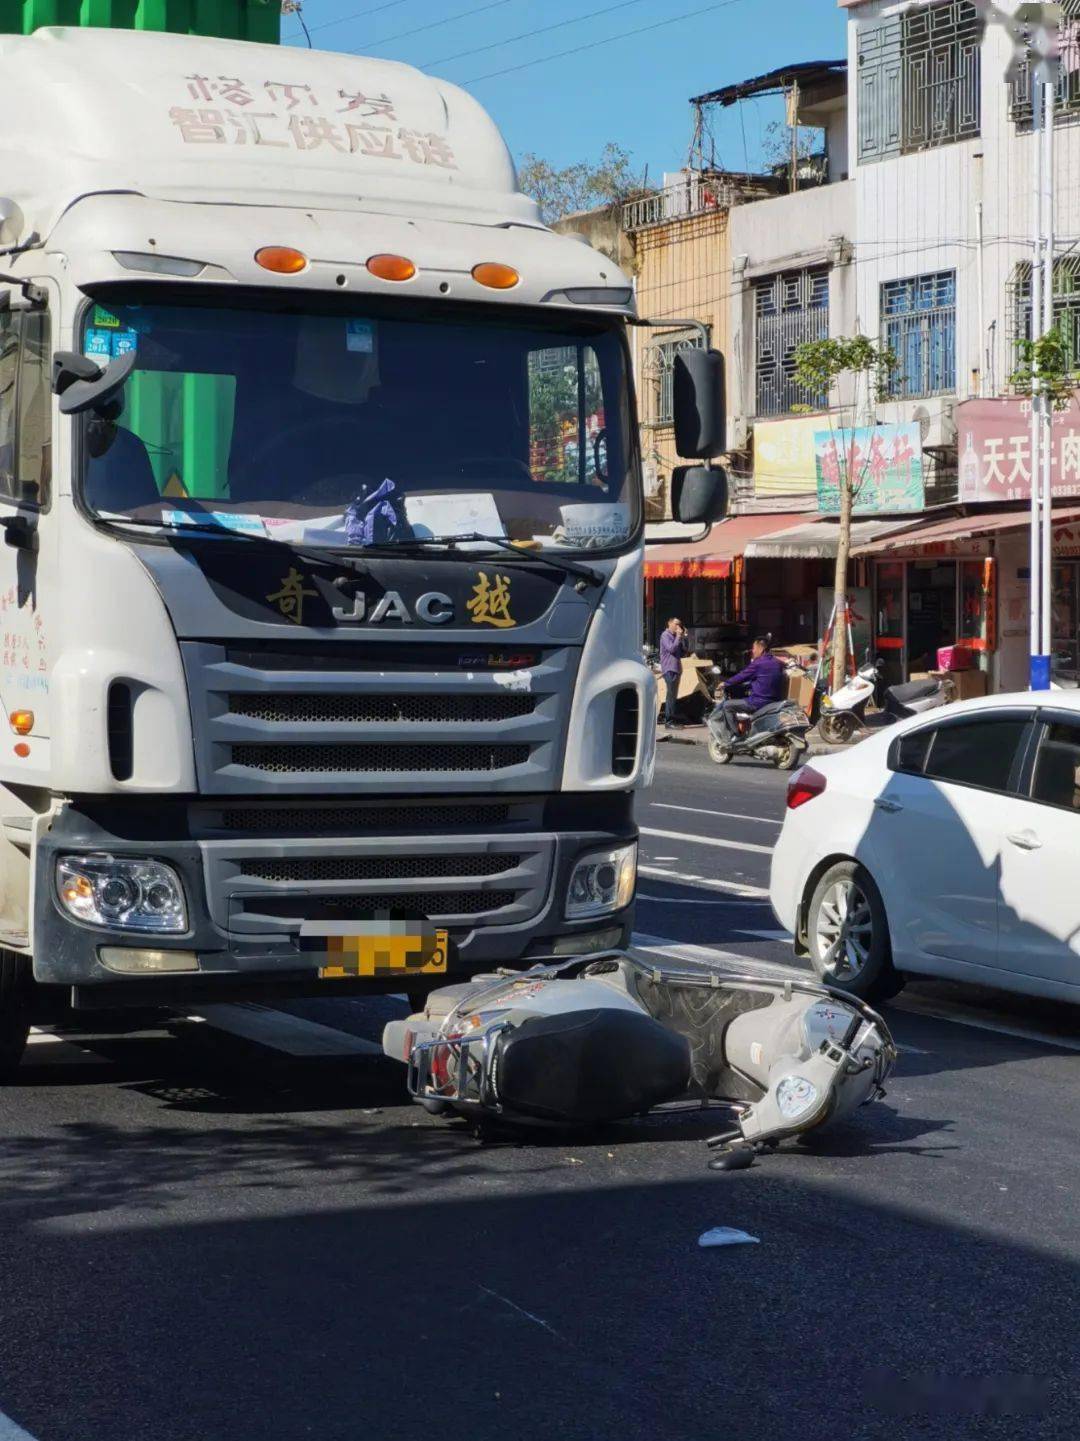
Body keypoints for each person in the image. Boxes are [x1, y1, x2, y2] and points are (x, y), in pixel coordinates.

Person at [717, 636, 786, 740]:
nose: (752, 651)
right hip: (774, 702)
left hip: (758, 702)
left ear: (761, 649)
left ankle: (736, 737)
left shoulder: (758, 663)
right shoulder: (777, 663)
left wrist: (726, 683)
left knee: (727, 706)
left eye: (754, 648)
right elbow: (764, 680)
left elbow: (742, 676)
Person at [659, 617, 687, 729]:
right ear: (669, 623)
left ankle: (672, 719)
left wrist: (684, 638)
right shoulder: (665, 635)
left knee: (673, 696)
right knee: (670, 695)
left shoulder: (677, 637)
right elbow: (671, 649)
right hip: (669, 669)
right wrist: (678, 637)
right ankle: (669, 721)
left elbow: (684, 652)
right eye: (676, 624)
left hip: (676, 669)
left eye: (679, 624)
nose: (678, 627)